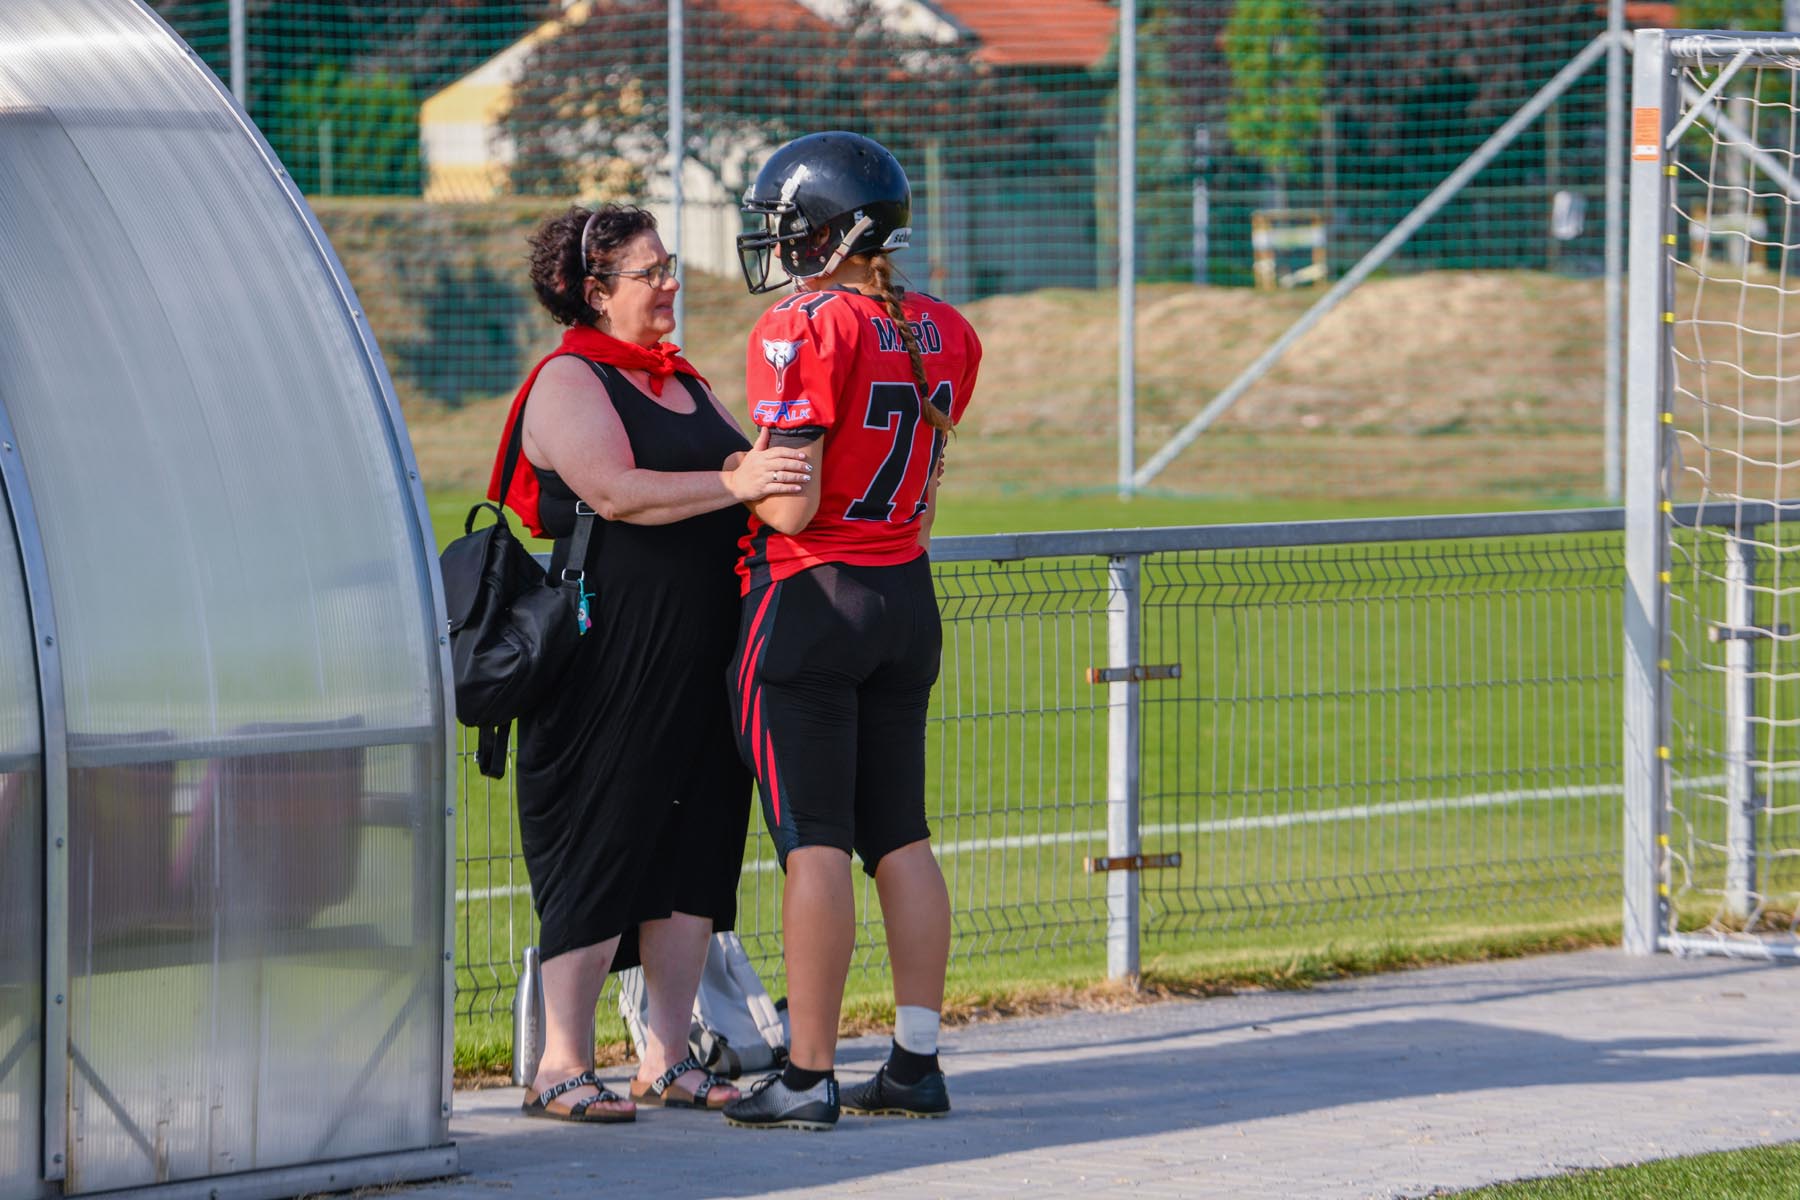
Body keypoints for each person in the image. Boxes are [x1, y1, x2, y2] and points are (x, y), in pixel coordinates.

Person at [492, 203, 815, 1122]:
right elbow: (614, 492)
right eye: (651, 272)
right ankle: (561, 1063)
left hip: (705, 649)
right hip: (607, 656)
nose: (671, 282)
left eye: (669, 266)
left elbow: (757, 467)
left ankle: (667, 1059)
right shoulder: (569, 379)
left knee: (697, 847)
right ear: (595, 293)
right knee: (600, 842)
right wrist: (733, 481)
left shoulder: (681, 379)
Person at [719, 132, 982, 1132]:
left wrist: (735, 478)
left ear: (844, 229)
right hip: (903, 598)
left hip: (812, 596)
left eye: (797, 226)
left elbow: (789, 506)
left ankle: (807, 1073)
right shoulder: (945, 328)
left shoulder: (803, 326)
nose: (785, 245)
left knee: (814, 844)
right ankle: (915, 1061)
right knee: (901, 836)